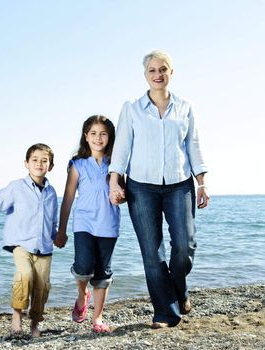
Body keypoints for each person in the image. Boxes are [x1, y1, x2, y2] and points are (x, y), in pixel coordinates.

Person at [108, 50, 209, 329]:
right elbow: (122, 148)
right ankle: (165, 312)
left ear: (171, 73)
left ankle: (180, 290)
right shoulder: (131, 108)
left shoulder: (185, 107)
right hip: (141, 187)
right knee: (152, 254)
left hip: (180, 184)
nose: (158, 75)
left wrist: (201, 182)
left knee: (184, 247)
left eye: (163, 69)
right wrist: (114, 180)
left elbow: (193, 146)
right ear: (145, 75)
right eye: (152, 70)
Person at [0, 143, 58, 338]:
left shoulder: (52, 193)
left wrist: (56, 235)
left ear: (50, 166)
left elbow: (52, 220)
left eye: (44, 161)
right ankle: (17, 316)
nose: (39, 164)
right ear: (26, 164)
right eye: (35, 160)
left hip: (45, 247)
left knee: (42, 287)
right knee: (24, 276)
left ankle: (35, 323)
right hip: (21, 245)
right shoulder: (17, 187)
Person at [54, 116, 121, 333]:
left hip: (109, 224)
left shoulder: (117, 163)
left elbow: (124, 192)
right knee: (83, 267)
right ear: (86, 136)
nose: (98, 138)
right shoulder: (77, 164)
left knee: (103, 272)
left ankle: (97, 319)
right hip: (84, 224)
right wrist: (61, 230)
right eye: (93, 133)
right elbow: (68, 198)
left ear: (109, 137)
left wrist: (121, 196)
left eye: (103, 133)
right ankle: (82, 294)